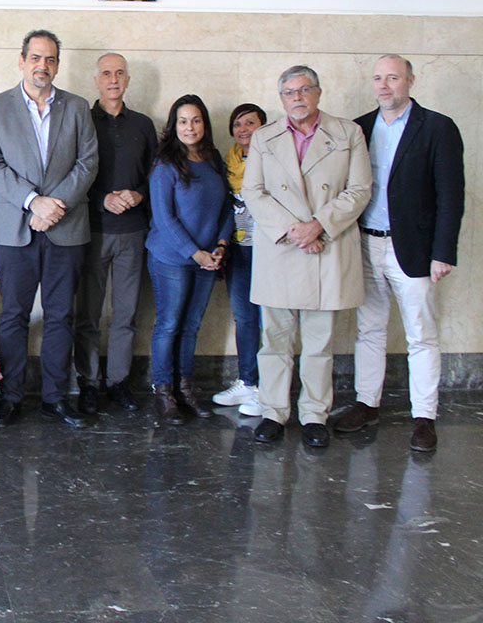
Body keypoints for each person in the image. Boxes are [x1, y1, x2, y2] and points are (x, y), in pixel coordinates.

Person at [331, 55, 464, 452]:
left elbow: (450, 196)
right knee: (369, 329)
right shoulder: (361, 126)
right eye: (378, 78)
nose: (384, 86)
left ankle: (424, 417)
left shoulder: (438, 127)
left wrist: (443, 252)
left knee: (421, 334)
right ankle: (366, 404)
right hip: (366, 244)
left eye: (393, 78)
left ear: (410, 80)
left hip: (415, 249)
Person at [243, 66, 371, 447]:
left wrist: (318, 225)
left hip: (326, 248)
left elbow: (360, 189)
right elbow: (254, 191)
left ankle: (315, 414)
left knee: (319, 343)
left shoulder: (348, 133)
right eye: (288, 92)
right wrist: (296, 230)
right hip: (282, 248)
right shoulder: (265, 137)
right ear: (280, 98)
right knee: (275, 341)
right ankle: (273, 412)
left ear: (318, 92)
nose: (296, 98)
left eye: (304, 90)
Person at [0, 30, 98, 428]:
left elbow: (88, 163)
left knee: (61, 315)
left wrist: (54, 206)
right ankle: (10, 397)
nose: (42, 66)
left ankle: (55, 397)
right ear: (21, 60)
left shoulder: (78, 107)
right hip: (16, 227)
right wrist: (33, 201)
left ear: (58, 65)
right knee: (13, 315)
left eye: (50, 59)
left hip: (66, 228)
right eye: (35, 58)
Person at [73, 53, 156, 415]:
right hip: (90, 231)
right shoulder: (80, 121)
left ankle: (119, 382)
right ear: (96, 81)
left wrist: (139, 193)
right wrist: (102, 199)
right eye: (106, 73)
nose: (113, 79)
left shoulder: (143, 124)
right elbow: (70, 174)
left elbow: (157, 176)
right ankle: (89, 383)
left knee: (126, 314)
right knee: (88, 315)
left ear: (127, 79)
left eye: (119, 73)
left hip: (133, 232)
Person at [144, 95, 233, 425]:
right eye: (183, 121)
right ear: (173, 125)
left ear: (205, 125)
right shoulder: (165, 165)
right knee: (169, 324)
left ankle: (184, 388)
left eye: (195, 120)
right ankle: (164, 391)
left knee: (191, 326)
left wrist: (221, 246)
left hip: (209, 259)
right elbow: (164, 218)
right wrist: (195, 253)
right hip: (172, 258)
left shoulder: (212, 159)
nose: (189, 127)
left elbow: (226, 206)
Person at [211, 103, 268, 417]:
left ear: (264, 126)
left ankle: (267, 388)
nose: (244, 129)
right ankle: (248, 381)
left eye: (251, 123)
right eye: (238, 124)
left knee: (267, 320)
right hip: (239, 250)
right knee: (244, 318)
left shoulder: (273, 156)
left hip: (270, 251)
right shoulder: (228, 161)